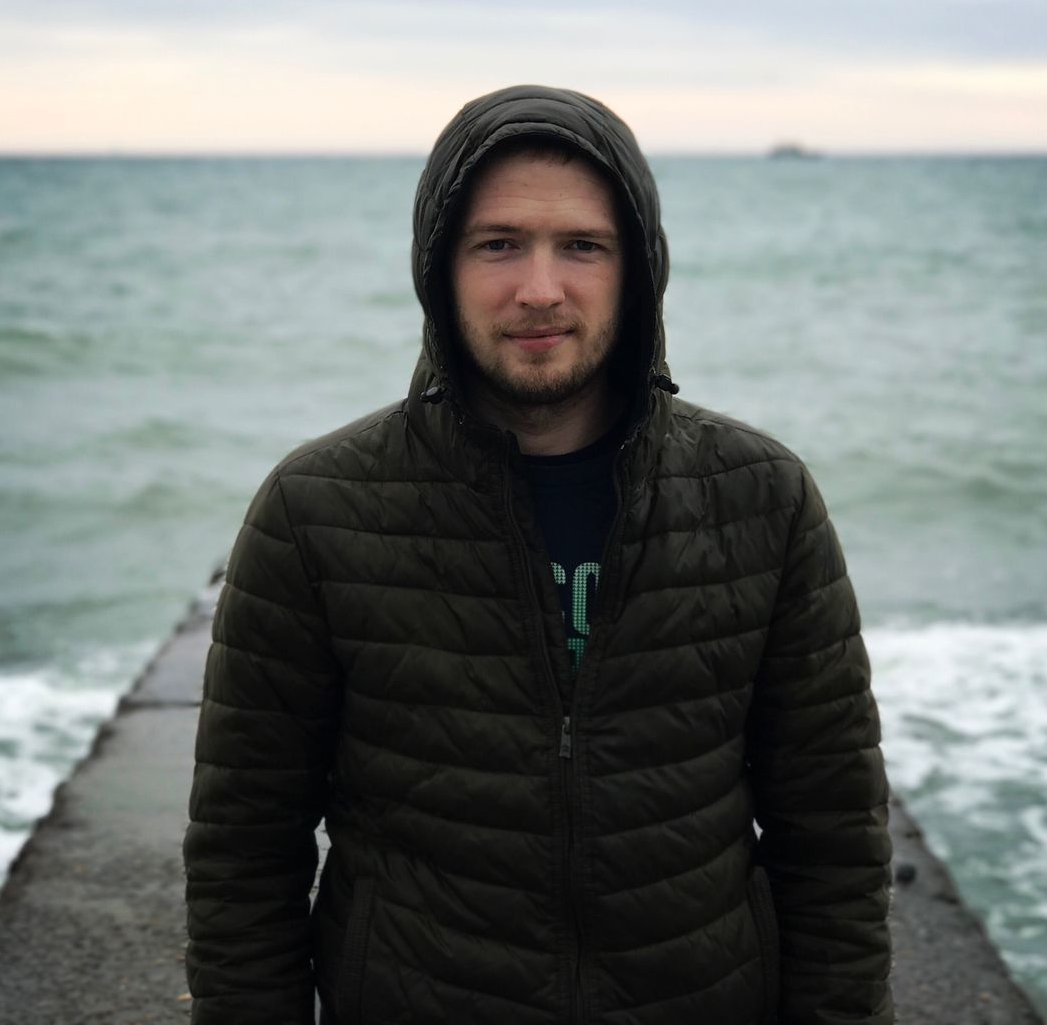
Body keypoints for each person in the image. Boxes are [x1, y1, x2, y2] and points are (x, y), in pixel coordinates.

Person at [183, 84, 893, 1025]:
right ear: (439, 268)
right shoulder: (317, 510)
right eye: (499, 244)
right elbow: (245, 852)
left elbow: (833, 842)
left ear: (638, 270)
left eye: (583, 247)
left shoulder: (760, 497)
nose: (541, 289)